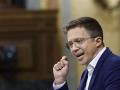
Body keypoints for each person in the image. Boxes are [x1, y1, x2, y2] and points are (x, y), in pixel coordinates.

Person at [50, 17, 120, 90]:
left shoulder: (116, 66)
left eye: (79, 41)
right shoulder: (87, 72)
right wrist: (60, 80)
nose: (74, 49)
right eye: (70, 44)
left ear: (98, 41)